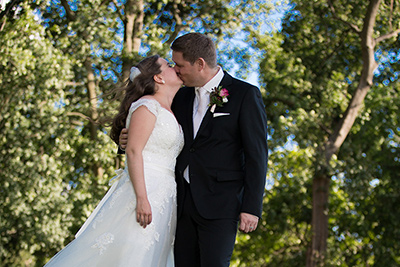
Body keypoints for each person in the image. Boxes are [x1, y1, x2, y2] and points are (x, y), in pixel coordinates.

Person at [119, 32, 268, 266]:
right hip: (179, 203)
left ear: (200, 64)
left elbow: (257, 155)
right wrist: (124, 138)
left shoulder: (245, 95)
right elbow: (150, 126)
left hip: (221, 204)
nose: (176, 70)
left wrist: (252, 207)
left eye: (179, 65)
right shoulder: (179, 95)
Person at [44, 55, 184, 267]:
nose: (175, 67)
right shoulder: (147, 105)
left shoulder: (173, 109)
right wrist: (142, 198)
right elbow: (134, 151)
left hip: (165, 194)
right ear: (159, 78)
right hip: (144, 190)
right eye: (169, 65)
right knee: (131, 251)